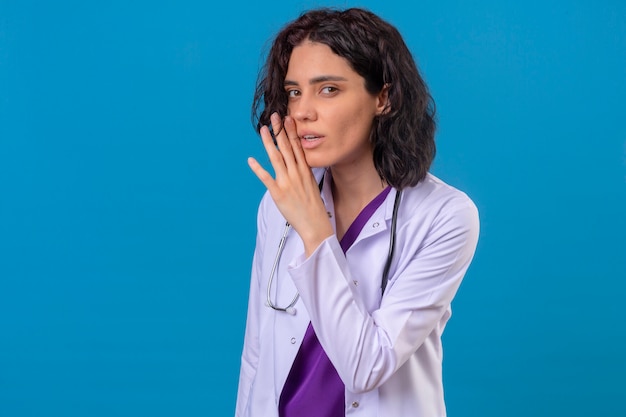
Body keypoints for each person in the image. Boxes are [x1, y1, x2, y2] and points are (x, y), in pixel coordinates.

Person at [236, 7, 479, 417]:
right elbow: (256, 351)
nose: (302, 112)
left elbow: (368, 366)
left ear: (382, 97)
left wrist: (314, 229)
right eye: (294, 92)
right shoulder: (278, 202)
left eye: (328, 89)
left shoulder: (446, 217)